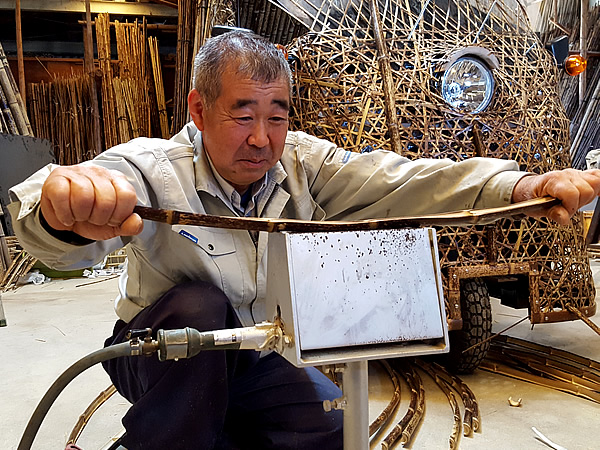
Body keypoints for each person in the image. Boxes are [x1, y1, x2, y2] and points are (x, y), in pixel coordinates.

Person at [8, 30, 600, 449]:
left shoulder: (300, 165)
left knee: (327, 422)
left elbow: (403, 178)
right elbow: (66, 210)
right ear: (198, 108)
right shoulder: (156, 169)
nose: (263, 139)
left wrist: (520, 183)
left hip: (253, 350)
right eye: (243, 115)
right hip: (155, 355)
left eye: (278, 115)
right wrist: (66, 205)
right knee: (200, 307)